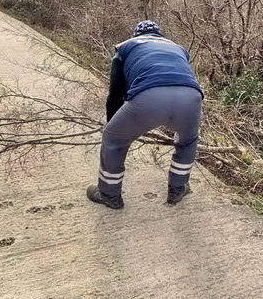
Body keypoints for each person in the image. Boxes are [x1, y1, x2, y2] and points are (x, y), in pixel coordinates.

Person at [87, 20, 203, 209]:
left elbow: (116, 92)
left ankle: (109, 195)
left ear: (136, 35)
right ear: (159, 34)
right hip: (191, 97)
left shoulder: (125, 47)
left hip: (149, 98)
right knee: (188, 141)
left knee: (113, 139)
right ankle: (177, 189)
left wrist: (113, 124)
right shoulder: (177, 48)